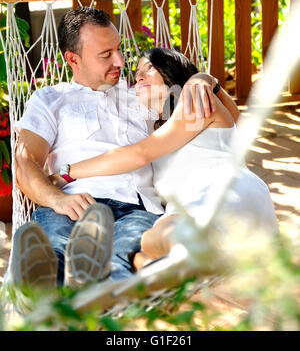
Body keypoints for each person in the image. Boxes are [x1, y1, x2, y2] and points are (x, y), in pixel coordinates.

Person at [13, 7, 227, 289]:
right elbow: (26, 163)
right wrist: (57, 200)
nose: (119, 60)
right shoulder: (50, 99)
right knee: (52, 252)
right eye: (105, 55)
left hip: (136, 207)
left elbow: (223, 118)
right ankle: (44, 295)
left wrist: (204, 79)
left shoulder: (141, 94)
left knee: (122, 262)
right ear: (72, 59)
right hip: (71, 203)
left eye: (118, 49)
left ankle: (102, 302)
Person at [51, 47, 278, 271]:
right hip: (186, 211)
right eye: (137, 73)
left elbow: (138, 155)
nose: (139, 76)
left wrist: (67, 172)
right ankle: (151, 269)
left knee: (169, 232)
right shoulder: (155, 126)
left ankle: (175, 266)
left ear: (172, 73)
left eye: (149, 68)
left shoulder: (195, 103)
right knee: (148, 243)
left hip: (223, 193)